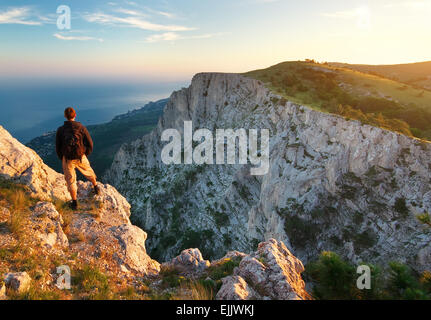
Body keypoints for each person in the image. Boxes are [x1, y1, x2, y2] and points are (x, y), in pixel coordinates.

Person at [56, 107, 100, 210]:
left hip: (68, 159)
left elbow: (58, 146)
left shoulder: (61, 130)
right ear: (75, 115)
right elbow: (90, 143)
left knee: (70, 180)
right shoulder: (81, 127)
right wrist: (85, 153)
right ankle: (96, 187)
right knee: (89, 171)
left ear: (65, 116)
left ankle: (74, 203)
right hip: (80, 156)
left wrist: (62, 158)